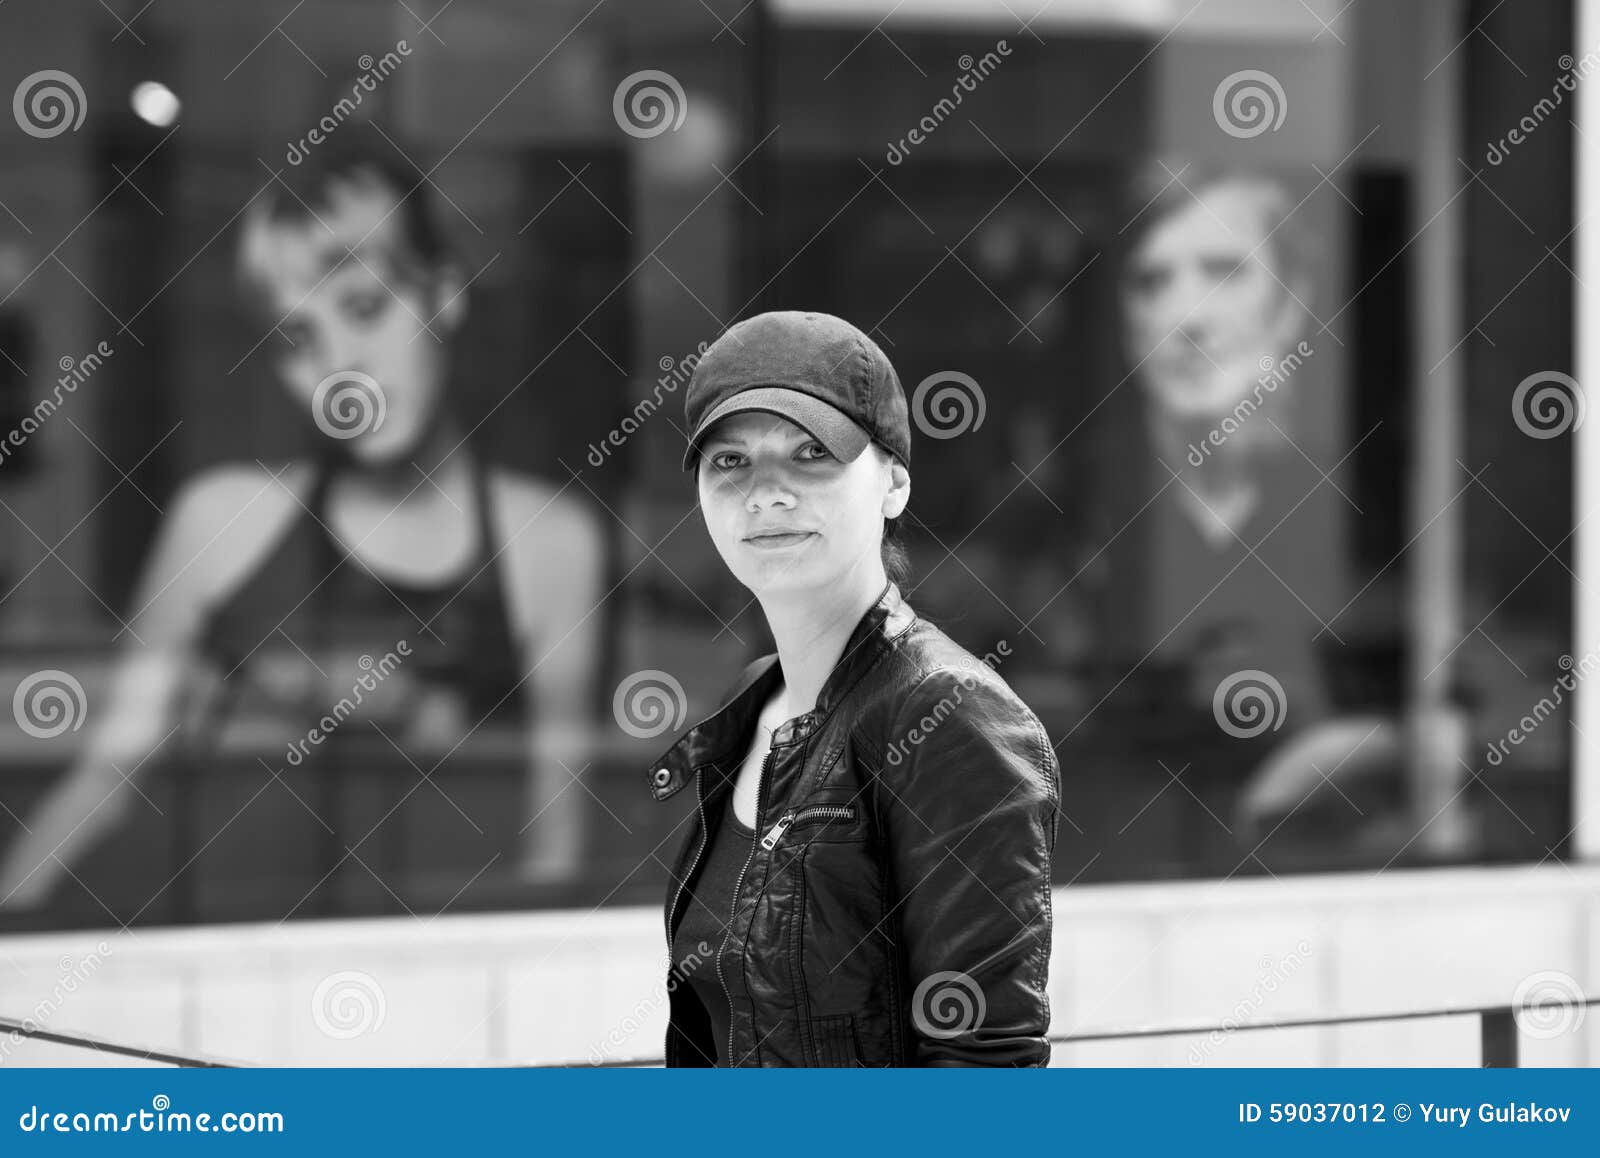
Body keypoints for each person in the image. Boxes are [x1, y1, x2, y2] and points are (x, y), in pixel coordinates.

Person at [0, 143, 606, 914]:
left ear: (444, 294)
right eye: (297, 337)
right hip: (233, 969)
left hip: (450, 979)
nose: (341, 367)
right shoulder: (219, 524)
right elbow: (104, 781)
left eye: (365, 308)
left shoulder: (550, 546)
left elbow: (559, 844)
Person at [645, 310, 1059, 1066]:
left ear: (894, 482)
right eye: (730, 461)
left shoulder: (947, 717)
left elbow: (984, 1065)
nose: (766, 494)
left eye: (810, 453)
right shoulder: (752, 709)